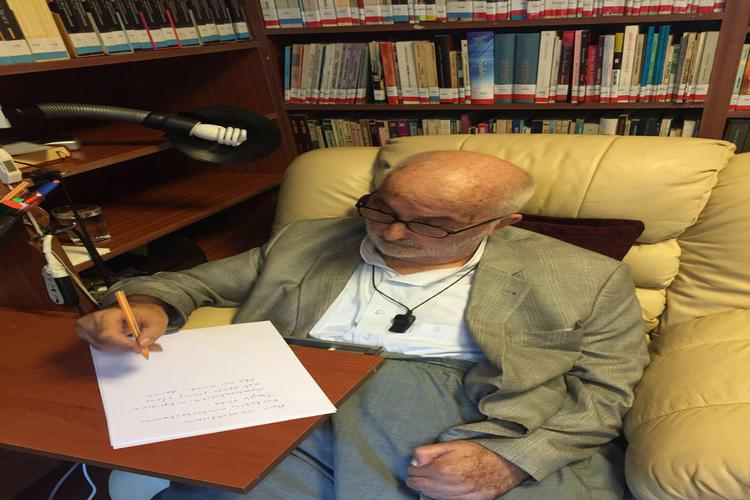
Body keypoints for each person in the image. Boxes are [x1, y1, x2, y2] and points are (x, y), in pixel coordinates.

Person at [76, 150, 649, 500]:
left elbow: (606, 392)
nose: (392, 235)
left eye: (431, 225)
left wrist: (511, 461)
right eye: (382, 209)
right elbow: (188, 284)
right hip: (294, 404)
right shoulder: (304, 241)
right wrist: (148, 303)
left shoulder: (586, 275)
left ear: (498, 224)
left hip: (478, 415)